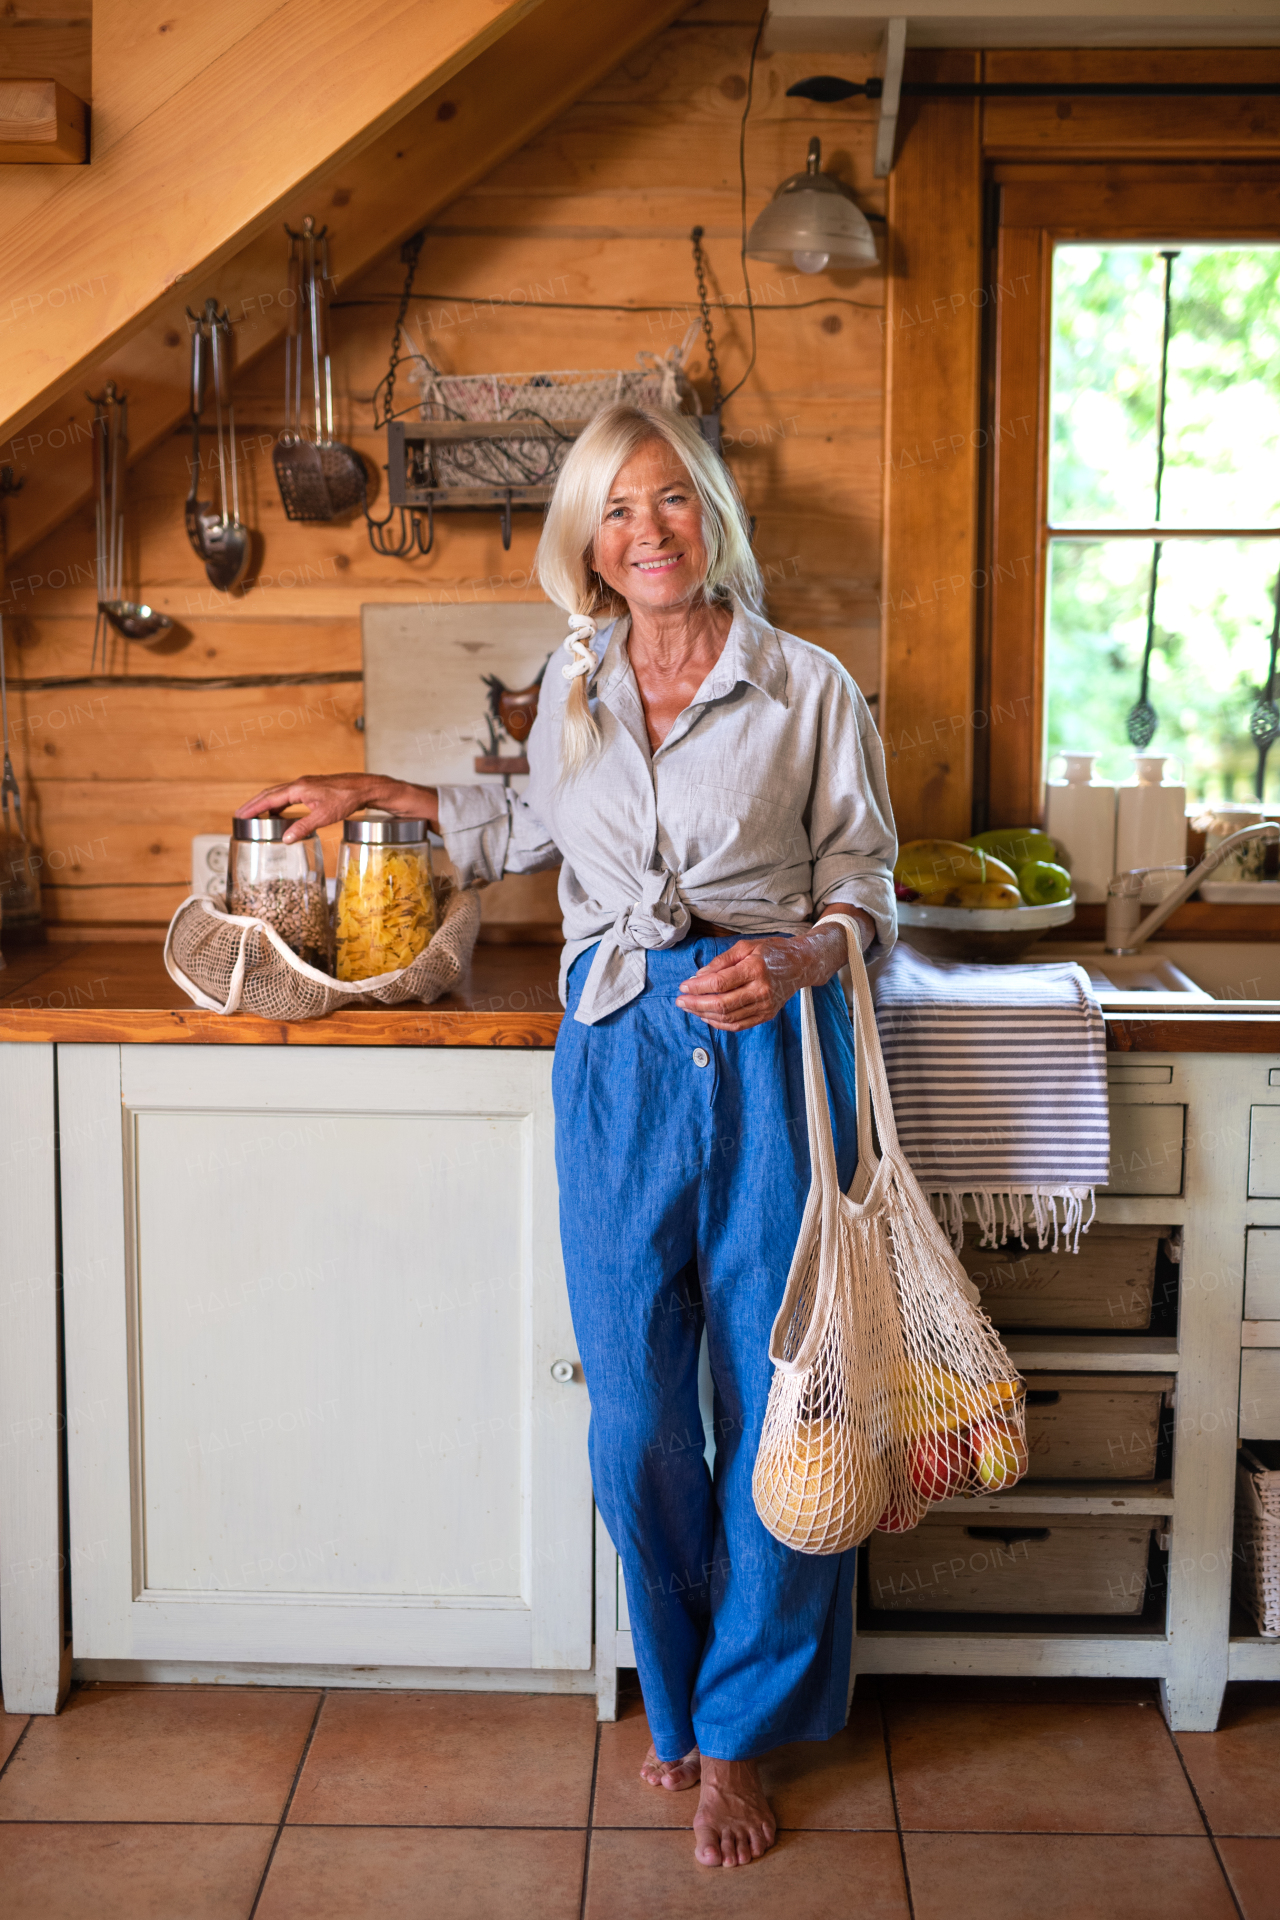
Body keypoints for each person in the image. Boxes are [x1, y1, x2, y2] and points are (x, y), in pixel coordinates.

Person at [236, 403, 897, 1868]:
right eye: (616, 509)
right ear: (585, 541)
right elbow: (519, 826)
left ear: (711, 512)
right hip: (613, 1050)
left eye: (670, 501)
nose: (646, 530)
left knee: (786, 1397)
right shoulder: (579, 672)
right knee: (639, 1415)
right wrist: (370, 793)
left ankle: (736, 1732)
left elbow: (869, 881)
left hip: (773, 1043)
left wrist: (793, 959)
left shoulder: (806, 687)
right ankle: (675, 1685)